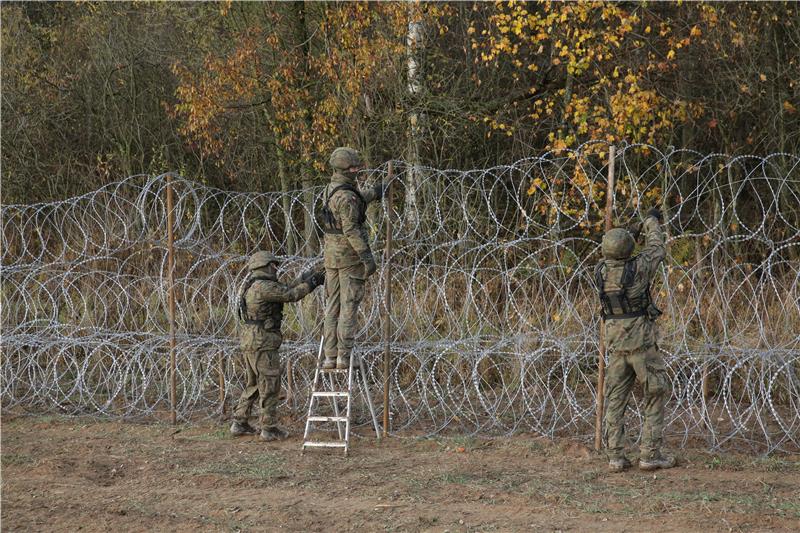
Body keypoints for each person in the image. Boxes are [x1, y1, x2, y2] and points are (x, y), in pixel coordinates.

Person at [595, 208, 676, 472]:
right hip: (641, 345)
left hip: (616, 346)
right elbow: (657, 248)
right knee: (655, 392)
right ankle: (650, 455)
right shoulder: (639, 266)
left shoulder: (601, 270)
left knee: (615, 400)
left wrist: (629, 234)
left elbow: (619, 250)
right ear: (629, 249)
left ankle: (615, 456)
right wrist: (651, 222)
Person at [231, 251, 324, 440]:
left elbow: (284, 288)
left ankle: (239, 422)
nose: (276, 269)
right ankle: (269, 428)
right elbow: (289, 294)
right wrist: (312, 283)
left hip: (252, 340)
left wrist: (304, 278)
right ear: (264, 266)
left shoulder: (253, 285)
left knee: (254, 383)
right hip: (263, 341)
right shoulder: (263, 286)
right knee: (270, 384)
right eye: (273, 265)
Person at [319, 147, 387, 370]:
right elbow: (351, 229)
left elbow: (355, 200)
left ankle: (329, 356)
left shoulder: (332, 188)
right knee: (348, 306)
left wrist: (377, 192)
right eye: (354, 167)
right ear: (345, 168)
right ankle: (344, 356)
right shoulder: (347, 195)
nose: (357, 170)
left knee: (332, 306)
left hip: (331, 257)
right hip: (349, 258)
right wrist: (367, 257)